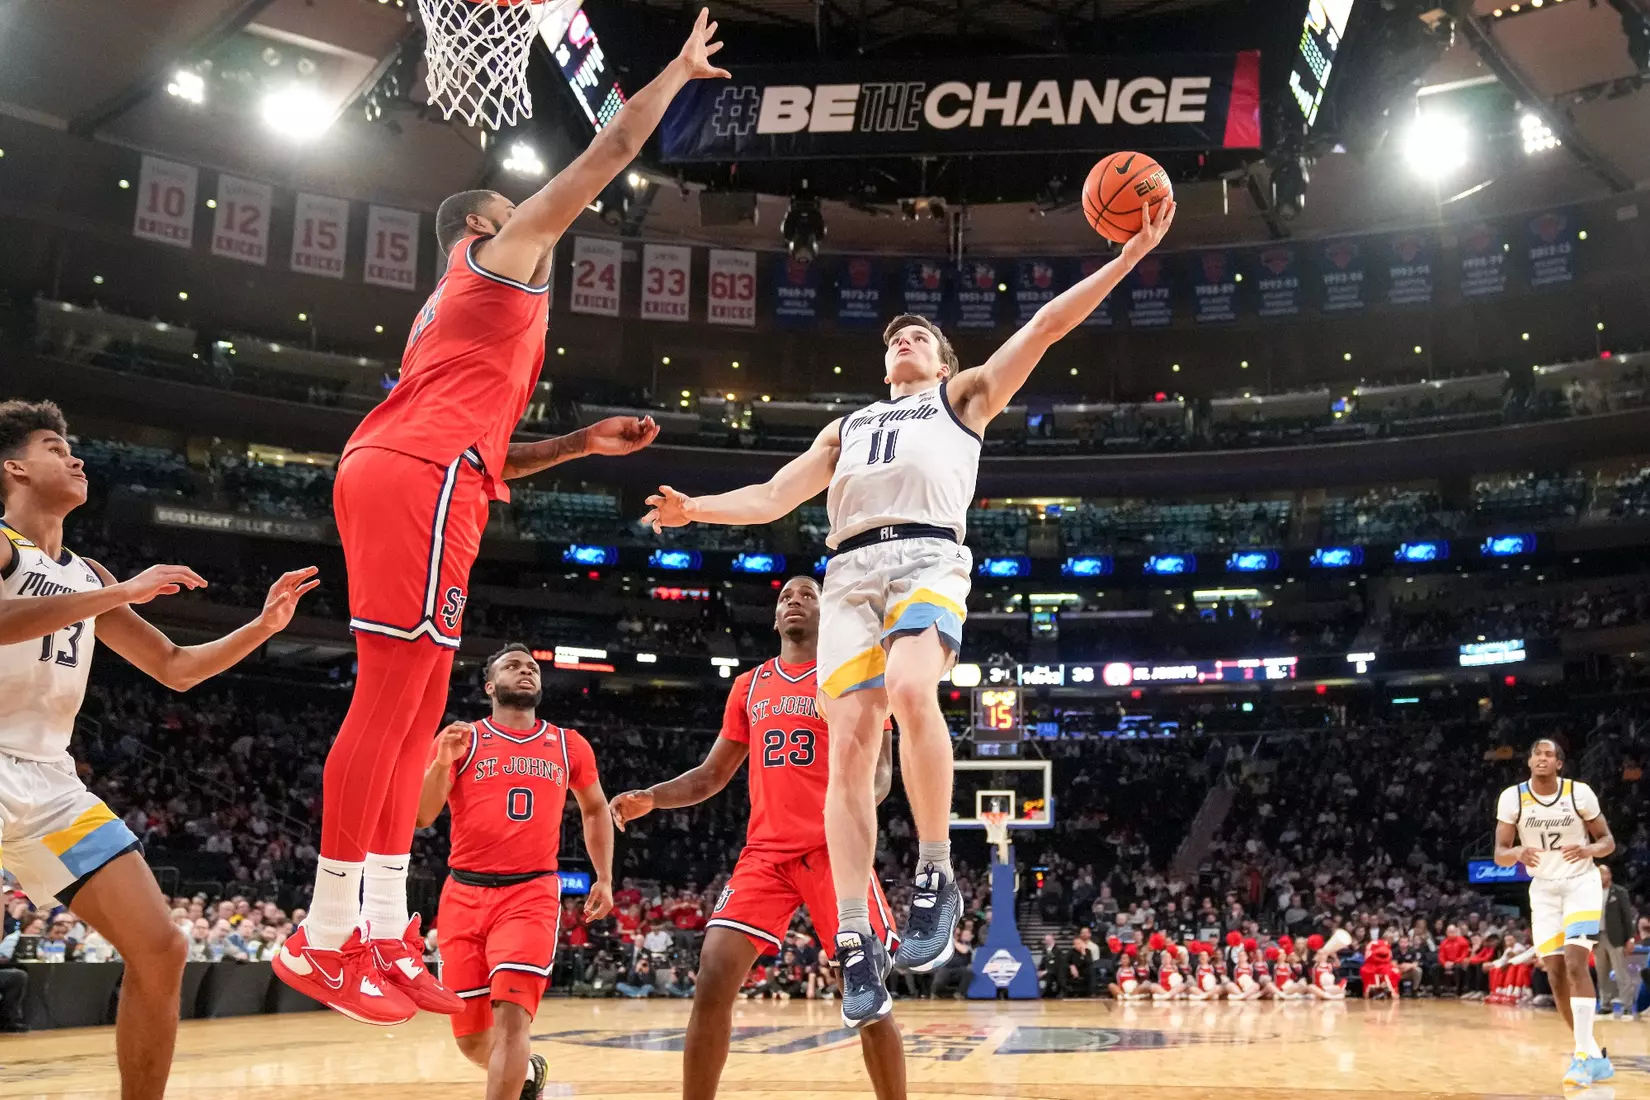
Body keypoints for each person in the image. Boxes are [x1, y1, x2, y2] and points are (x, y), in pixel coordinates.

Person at [274, 9, 731, 1024]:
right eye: (513, 203)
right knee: (389, 702)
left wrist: (576, 445)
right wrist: (673, 76)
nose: (533, 210)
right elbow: (611, 149)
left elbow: (482, 443)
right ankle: (321, 930)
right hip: (419, 478)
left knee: (413, 709)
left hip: (434, 474)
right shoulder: (499, 257)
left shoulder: (447, 312)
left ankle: (384, 928)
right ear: (484, 223)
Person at [641, 202, 1176, 1024]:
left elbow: (1046, 324)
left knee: (913, 688)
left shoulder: (963, 399)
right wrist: (696, 509)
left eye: (920, 335)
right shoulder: (847, 426)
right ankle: (855, 939)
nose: (904, 340)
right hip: (849, 573)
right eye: (895, 336)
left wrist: (1132, 253)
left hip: (927, 555)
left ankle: (934, 873)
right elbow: (775, 495)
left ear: (943, 359)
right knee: (849, 747)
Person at [0, 400, 315, 1098]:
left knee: (163, 946)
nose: (75, 458)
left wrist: (263, 625)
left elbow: (176, 667)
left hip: (50, 785)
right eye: (56, 447)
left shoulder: (90, 573)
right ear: (14, 467)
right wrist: (123, 593)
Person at [609, 576, 906, 1100]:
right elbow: (710, 776)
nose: (795, 602)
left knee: (867, 994)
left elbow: (882, 773)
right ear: (774, 619)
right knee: (713, 976)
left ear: (827, 613)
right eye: (786, 598)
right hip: (765, 854)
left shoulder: (856, 675)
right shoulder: (749, 685)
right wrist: (652, 796)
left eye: (808, 595)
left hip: (833, 850)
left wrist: (854, 802)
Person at [415, 644, 614, 1100]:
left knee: (511, 1019)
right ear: (490, 686)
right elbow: (422, 817)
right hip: (463, 894)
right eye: (512, 666)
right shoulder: (461, 740)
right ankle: (527, 1074)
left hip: (530, 894)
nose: (526, 671)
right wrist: (442, 761)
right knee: (470, 1040)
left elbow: (596, 809)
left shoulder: (568, 744)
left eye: (532, 668)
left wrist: (603, 875)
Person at [1495, 738, 1615, 1088]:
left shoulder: (1580, 793)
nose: (1542, 758)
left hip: (1581, 883)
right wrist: (1516, 852)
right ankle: (1593, 1053)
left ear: (1559, 763)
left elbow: (1608, 842)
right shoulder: (1512, 797)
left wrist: (1589, 847)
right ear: (1529, 761)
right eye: (1537, 753)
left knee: (1577, 964)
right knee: (1556, 975)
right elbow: (1500, 853)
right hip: (1544, 889)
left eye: (1549, 754)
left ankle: (1580, 1057)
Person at [1598, 864, 1634, 1017]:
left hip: (1616, 937)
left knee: (1621, 973)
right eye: (1598, 875)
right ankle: (1605, 1004)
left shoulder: (1619, 892)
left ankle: (1628, 1005)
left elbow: (1627, 917)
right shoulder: (1591, 893)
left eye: (1603, 874)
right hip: (1597, 937)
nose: (1601, 878)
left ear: (1609, 875)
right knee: (1602, 974)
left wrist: (1630, 938)